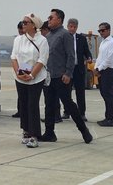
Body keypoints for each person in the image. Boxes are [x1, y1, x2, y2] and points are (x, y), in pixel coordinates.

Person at [40, 9, 92, 144]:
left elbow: (71, 55)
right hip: (49, 76)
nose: (49, 19)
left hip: (61, 77)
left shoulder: (65, 35)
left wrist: (68, 73)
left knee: (68, 104)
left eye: (51, 17)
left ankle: (84, 130)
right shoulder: (48, 36)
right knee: (49, 105)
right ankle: (49, 133)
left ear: (59, 20)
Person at [11, 13, 49, 148]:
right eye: (23, 22)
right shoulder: (18, 40)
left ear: (34, 25)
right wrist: (18, 73)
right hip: (21, 74)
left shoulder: (42, 40)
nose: (23, 24)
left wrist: (32, 75)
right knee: (23, 104)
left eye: (26, 22)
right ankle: (26, 131)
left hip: (36, 76)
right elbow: (14, 57)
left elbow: (42, 60)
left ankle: (34, 135)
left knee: (33, 105)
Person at [62, 18, 92, 121]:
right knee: (66, 92)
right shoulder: (63, 37)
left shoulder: (81, 38)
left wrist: (89, 57)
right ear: (67, 26)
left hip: (78, 69)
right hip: (67, 70)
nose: (72, 29)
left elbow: (86, 51)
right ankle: (66, 112)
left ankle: (82, 113)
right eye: (70, 26)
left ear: (77, 27)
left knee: (80, 92)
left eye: (74, 27)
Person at [94, 22, 113, 127]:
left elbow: (109, 59)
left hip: (107, 70)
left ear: (108, 30)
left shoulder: (112, 42)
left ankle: (112, 118)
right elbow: (100, 58)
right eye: (99, 31)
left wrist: (99, 68)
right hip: (101, 71)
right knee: (104, 94)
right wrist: (96, 68)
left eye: (103, 30)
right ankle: (107, 117)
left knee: (108, 94)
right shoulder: (103, 42)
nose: (101, 32)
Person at [11, 21, 25, 118]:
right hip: (18, 66)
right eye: (19, 30)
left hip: (26, 66)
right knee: (20, 92)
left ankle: (24, 111)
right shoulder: (17, 39)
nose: (20, 32)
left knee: (25, 92)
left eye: (21, 30)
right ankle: (20, 111)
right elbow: (14, 55)